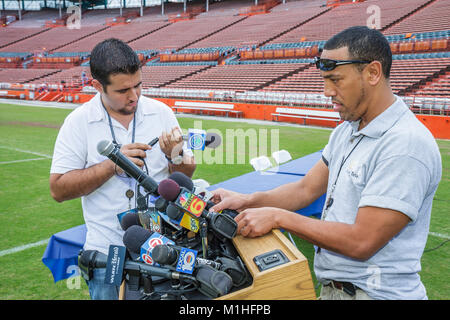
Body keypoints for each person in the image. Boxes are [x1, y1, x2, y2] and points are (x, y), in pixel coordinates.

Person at [210, 26, 442, 300]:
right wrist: (247, 200)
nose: (326, 91)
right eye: (324, 80)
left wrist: (278, 217)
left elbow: (362, 242)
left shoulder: (405, 144)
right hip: (337, 290)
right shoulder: (347, 129)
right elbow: (306, 189)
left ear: (373, 73)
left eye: (336, 80)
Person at [49, 38, 196, 300]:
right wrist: (112, 166)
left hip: (163, 250)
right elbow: (58, 189)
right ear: (97, 86)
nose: (134, 95)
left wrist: (175, 154)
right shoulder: (78, 122)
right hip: (107, 254)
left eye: (138, 85)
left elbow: (184, 178)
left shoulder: (161, 112)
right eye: (122, 90)